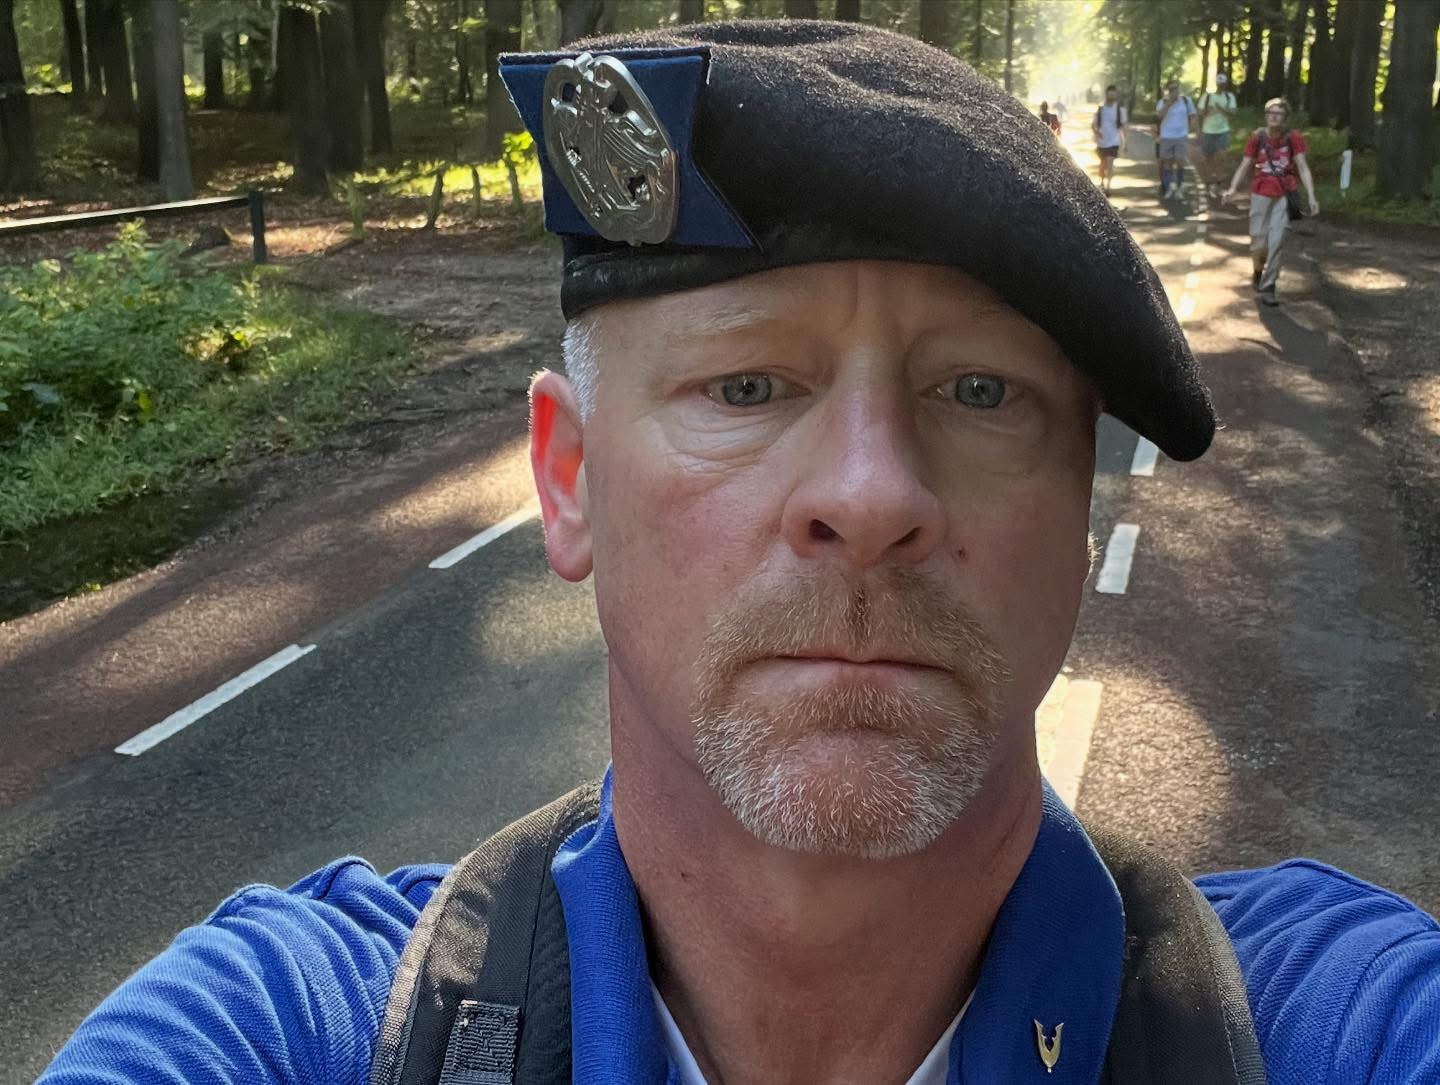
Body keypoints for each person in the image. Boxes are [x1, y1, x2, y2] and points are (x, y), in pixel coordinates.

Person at [39, 21, 1438, 1085]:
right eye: (748, 387)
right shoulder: (303, 1025)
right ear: (568, 481)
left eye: (980, 392)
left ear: (1078, 516)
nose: (872, 494)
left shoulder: (1325, 1024)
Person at [1224, 97, 1321, 307]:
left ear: (1285, 118)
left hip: (1284, 195)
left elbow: (1302, 167)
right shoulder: (1257, 137)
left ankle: (1269, 287)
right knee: (1258, 241)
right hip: (1260, 193)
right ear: (1266, 116)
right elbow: (1245, 164)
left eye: (1279, 114)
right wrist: (1233, 188)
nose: (1274, 117)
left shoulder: (1294, 138)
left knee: (1276, 242)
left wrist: (1311, 196)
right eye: (1271, 113)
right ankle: (1258, 270)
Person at [1155, 78, 1197, 200]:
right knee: (1167, 164)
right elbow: (1159, 116)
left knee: (1180, 162)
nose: (1174, 91)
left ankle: (1179, 188)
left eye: (1175, 88)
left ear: (1179, 89)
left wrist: (1191, 129)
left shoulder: (1186, 100)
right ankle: (1168, 188)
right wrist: (1169, 103)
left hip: (1181, 136)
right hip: (1166, 136)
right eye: (1171, 89)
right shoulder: (1162, 102)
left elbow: (1193, 115)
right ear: (1167, 90)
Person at [1197, 73, 1237, 200]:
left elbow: (1233, 112)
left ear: (1225, 84)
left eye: (1223, 84)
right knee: (1208, 158)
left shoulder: (1229, 97)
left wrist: (1220, 108)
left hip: (1223, 131)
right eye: (1219, 84)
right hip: (1208, 131)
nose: (1221, 86)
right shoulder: (1207, 96)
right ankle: (1210, 182)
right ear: (1216, 84)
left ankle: (1219, 183)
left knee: (1221, 156)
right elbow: (1200, 112)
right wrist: (1207, 111)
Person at [1091, 83, 1127, 196]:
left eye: (1113, 95)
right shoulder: (1101, 109)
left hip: (1114, 141)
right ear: (1106, 94)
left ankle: (1108, 187)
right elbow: (1093, 124)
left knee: (1110, 163)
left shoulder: (1120, 109)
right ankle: (1102, 182)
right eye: (1110, 94)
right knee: (1102, 163)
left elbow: (1124, 126)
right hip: (1102, 141)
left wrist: (1125, 143)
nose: (1111, 97)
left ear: (1116, 95)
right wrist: (1097, 132)